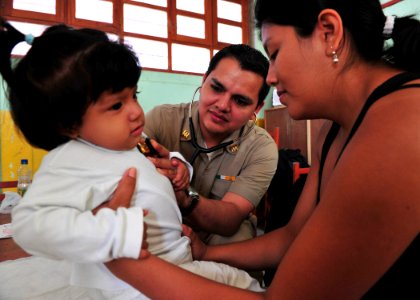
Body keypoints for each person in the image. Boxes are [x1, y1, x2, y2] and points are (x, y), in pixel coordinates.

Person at [103, 0, 420, 298]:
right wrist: (205, 253)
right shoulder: (333, 129)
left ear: (329, 33)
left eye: (275, 52)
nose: (271, 76)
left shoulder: (403, 124)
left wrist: (117, 254)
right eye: (216, 88)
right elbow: (293, 235)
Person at [0, 20, 264, 299]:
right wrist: (104, 232)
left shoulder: (126, 142)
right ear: (68, 124)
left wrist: (180, 169)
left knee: (248, 284)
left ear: (256, 109)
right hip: (135, 283)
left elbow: (160, 163)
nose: (136, 112)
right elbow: (29, 224)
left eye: (133, 96)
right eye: (116, 105)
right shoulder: (72, 160)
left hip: (178, 260)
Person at [144, 43, 279, 246]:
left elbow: (230, 219)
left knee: (238, 237)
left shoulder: (261, 148)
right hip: (163, 220)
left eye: (240, 101)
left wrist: (185, 199)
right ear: (204, 79)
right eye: (217, 88)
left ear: (257, 108)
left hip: (218, 233)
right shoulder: (161, 119)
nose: (222, 106)